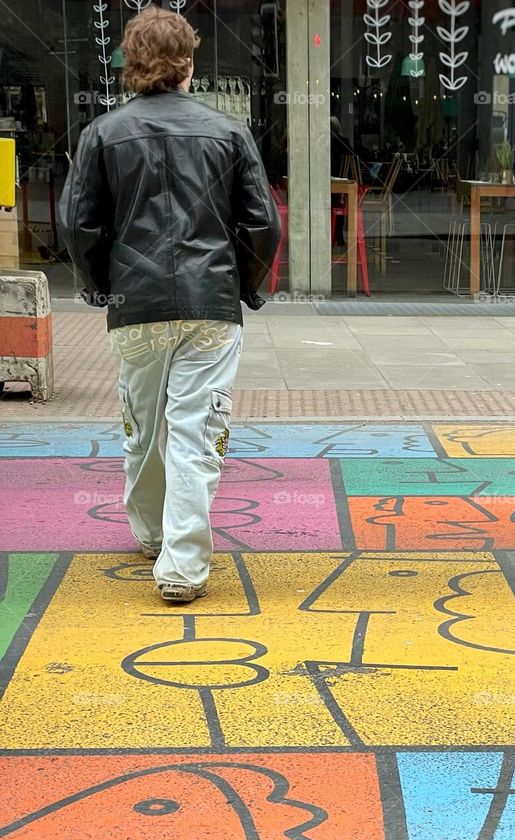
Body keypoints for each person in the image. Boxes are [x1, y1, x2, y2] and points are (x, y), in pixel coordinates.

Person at [58, 7, 279, 603]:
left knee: (143, 424)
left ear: (131, 62)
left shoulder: (102, 134)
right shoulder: (227, 132)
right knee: (195, 432)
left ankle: (150, 531)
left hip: (135, 302)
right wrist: (247, 286)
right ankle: (182, 566)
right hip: (210, 302)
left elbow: (79, 225)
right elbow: (263, 224)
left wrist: (100, 285)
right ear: (189, 62)